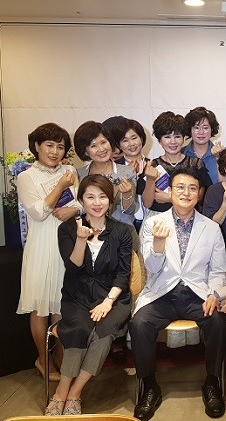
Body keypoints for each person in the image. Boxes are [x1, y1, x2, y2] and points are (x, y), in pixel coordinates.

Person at [130, 168, 226, 420]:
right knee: (139, 324)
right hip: (162, 293)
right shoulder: (153, 223)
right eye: (180, 187)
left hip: (197, 294)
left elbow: (218, 270)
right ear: (171, 191)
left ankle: (212, 382)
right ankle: (149, 387)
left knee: (219, 322)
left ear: (199, 193)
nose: (186, 193)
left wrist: (214, 295)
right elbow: (151, 269)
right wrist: (158, 244)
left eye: (192, 188)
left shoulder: (211, 227)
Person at [46, 175, 132, 415]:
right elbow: (73, 267)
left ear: (110, 200)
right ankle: (61, 391)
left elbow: (123, 274)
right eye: (90, 197)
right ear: (81, 200)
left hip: (112, 296)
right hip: (77, 295)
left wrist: (108, 302)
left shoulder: (122, 231)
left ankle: (75, 392)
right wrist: (81, 240)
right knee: (79, 329)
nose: (97, 203)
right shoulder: (67, 229)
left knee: (104, 331)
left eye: (102, 197)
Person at [16, 123, 82, 382]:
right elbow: (38, 213)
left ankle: (63, 358)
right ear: (37, 147)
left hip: (67, 241)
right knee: (41, 306)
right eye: (49, 145)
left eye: (60, 146)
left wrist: (73, 209)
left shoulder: (70, 171)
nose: (55, 151)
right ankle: (43, 360)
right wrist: (60, 187)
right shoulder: (27, 177)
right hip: (42, 245)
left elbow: (82, 202)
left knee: (62, 306)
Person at [142, 111, 212, 215]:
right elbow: (147, 203)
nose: (173, 141)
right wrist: (150, 180)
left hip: (188, 217)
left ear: (184, 139)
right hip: (158, 219)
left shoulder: (196, 164)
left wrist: (170, 198)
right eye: (167, 137)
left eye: (177, 136)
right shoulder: (153, 166)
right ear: (159, 140)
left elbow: (199, 197)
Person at [74, 121, 137, 227]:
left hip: (122, 231)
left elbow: (129, 211)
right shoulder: (78, 174)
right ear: (85, 151)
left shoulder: (127, 172)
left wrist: (126, 194)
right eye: (93, 146)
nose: (101, 149)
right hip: (89, 232)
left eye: (103, 142)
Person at [112, 118, 149, 233]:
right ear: (119, 145)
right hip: (122, 224)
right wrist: (128, 174)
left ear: (141, 139)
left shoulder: (154, 165)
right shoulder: (113, 167)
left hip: (149, 223)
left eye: (134, 138)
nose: (131, 144)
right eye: (125, 140)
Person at [183, 106, 221, 184]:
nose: (201, 132)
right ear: (190, 130)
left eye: (205, 128)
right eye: (196, 128)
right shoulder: (181, 153)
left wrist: (219, 159)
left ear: (211, 130)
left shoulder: (221, 154)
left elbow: (225, 184)